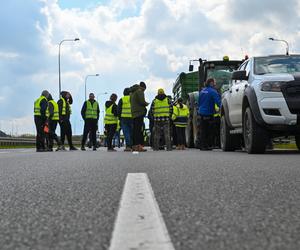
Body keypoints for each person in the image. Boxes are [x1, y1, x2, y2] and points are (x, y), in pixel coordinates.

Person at [198, 78, 221, 150]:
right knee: (209, 130)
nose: (215, 84)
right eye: (214, 82)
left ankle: (202, 145)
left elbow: (199, 102)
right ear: (211, 83)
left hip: (201, 112)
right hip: (208, 113)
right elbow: (218, 102)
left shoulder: (202, 91)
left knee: (203, 129)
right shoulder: (213, 91)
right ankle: (206, 145)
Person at [130, 82, 149, 152]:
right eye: (144, 89)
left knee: (135, 130)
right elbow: (142, 101)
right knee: (138, 130)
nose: (144, 91)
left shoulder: (132, 93)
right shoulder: (139, 91)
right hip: (139, 113)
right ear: (142, 87)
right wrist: (146, 103)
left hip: (134, 113)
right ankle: (139, 146)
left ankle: (134, 146)